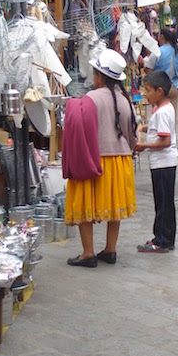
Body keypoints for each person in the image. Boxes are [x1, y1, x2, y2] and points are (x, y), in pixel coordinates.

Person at [63, 48, 138, 267]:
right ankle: (110, 249)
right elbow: (130, 131)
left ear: (99, 76)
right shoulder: (124, 100)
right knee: (113, 207)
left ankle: (88, 253)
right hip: (119, 159)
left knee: (86, 204)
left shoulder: (89, 99)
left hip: (93, 159)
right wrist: (131, 149)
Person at [135, 70, 177, 253]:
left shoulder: (162, 113)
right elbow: (158, 130)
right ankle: (165, 237)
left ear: (159, 91)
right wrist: (145, 127)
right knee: (165, 202)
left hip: (163, 163)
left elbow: (165, 140)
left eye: (148, 90)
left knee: (163, 203)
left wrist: (145, 146)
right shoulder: (163, 109)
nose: (146, 94)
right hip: (164, 163)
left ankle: (161, 240)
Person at [145, 28, 178, 115]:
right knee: (171, 117)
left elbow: (149, 69)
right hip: (174, 87)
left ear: (162, 36)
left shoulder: (157, 52)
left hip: (159, 88)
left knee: (158, 114)